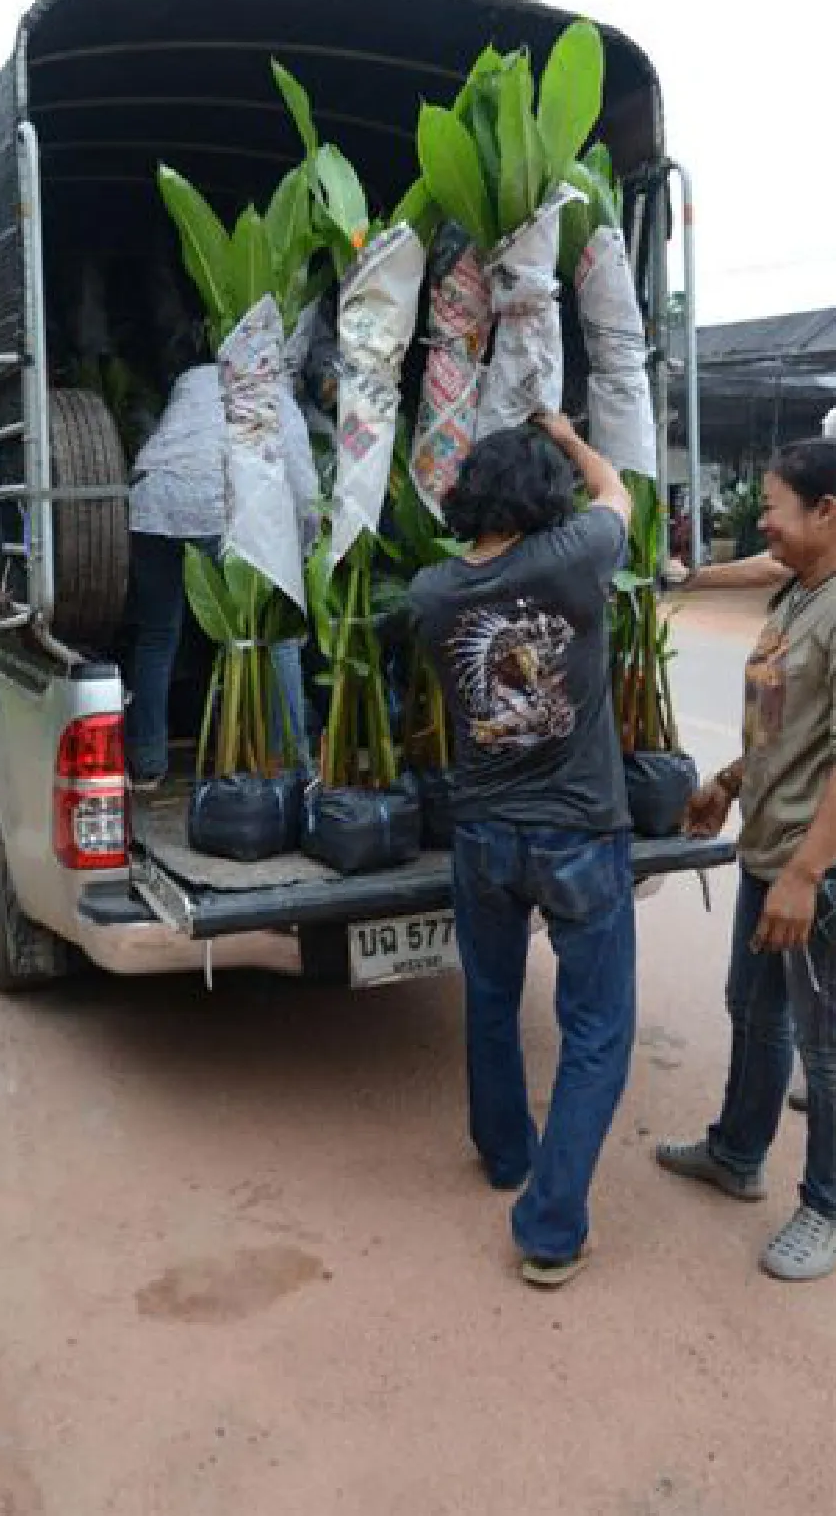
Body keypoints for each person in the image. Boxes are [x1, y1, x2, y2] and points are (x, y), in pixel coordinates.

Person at [410, 411, 633, 1289]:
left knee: (493, 1000)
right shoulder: (576, 554)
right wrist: (573, 436)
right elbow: (617, 491)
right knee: (597, 1029)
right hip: (577, 827)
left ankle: (506, 1153)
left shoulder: (431, 592)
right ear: (545, 494)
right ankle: (548, 1226)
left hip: (483, 833)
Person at [656, 439, 836, 1281]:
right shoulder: (800, 591)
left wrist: (804, 874)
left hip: (816, 867)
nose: (760, 521)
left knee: (823, 1042)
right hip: (769, 844)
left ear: (826, 510)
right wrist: (728, 780)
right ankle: (736, 1152)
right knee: (753, 1008)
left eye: (772, 505)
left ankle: (827, 1206)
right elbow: (783, 726)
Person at [124, 357, 316, 790]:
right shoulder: (273, 389)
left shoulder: (190, 376)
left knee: (157, 633)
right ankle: (290, 765)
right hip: (214, 503)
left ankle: (148, 764)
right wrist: (300, 554)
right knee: (276, 635)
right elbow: (304, 489)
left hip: (153, 502)